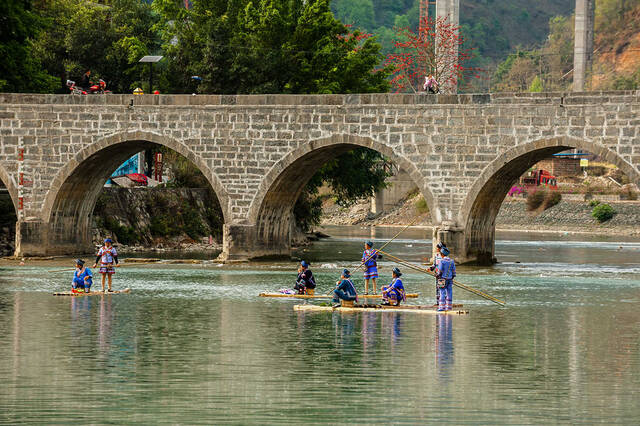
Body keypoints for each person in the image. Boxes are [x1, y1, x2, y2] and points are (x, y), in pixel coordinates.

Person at [435, 247, 456, 311]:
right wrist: (452, 277)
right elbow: (454, 272)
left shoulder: (442, 261)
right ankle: (449, 307)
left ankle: (441, 307)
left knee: (442, 292)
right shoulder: (452, 261)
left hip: (442, 279)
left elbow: (440, 271)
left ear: (442, 254)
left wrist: (437, 275)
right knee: (449, 292)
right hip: (450, 279)